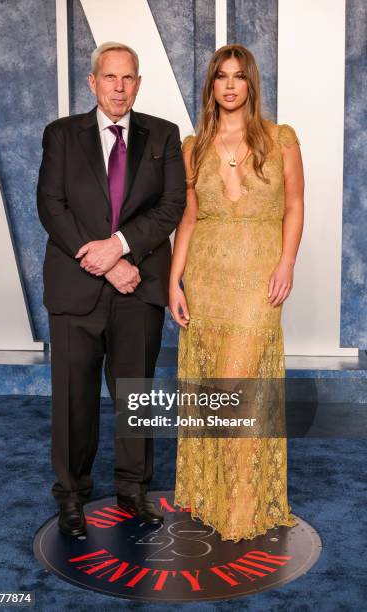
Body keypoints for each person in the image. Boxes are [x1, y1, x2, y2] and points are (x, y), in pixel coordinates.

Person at [37, 42, 186, 536]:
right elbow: (51, 206)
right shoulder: (61, 135)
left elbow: (170, 206)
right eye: (109, 77)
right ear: (92, 82)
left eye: (128, 78)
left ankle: (133, 489)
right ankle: (73, 497)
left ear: (138, 84)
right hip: (77, 286)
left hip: (139, 285)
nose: (119, 87)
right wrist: (103, 262)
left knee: (135, 397)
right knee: (73, 400)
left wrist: (121, 247)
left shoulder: (163, 135)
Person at [169, 44, 304, 541]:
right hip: (206, 279)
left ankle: (243, 505)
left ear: (251, 84)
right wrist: (173, 282)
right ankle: (220, 498)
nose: (230, 85)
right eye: (221, 77)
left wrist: (287, 262)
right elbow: (188, 217)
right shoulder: (193, 145)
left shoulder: (280, 139)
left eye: (238, 76)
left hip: (258, 278)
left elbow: (295, 205)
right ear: (212, 86)